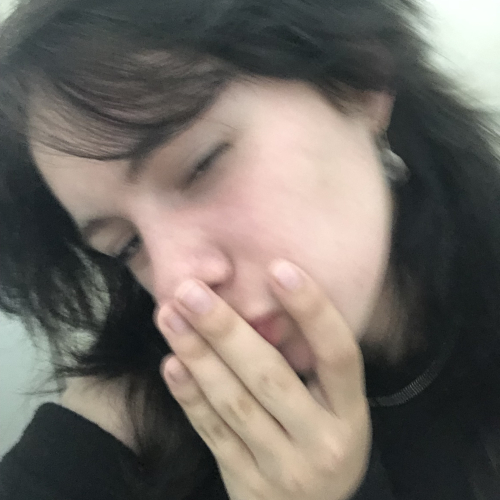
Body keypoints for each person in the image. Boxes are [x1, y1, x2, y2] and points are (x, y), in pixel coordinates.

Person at [0, 0, 499, 498]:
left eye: (201, 166)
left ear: (359, 77)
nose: (178, 285)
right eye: (127, 244)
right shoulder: (133, 418)